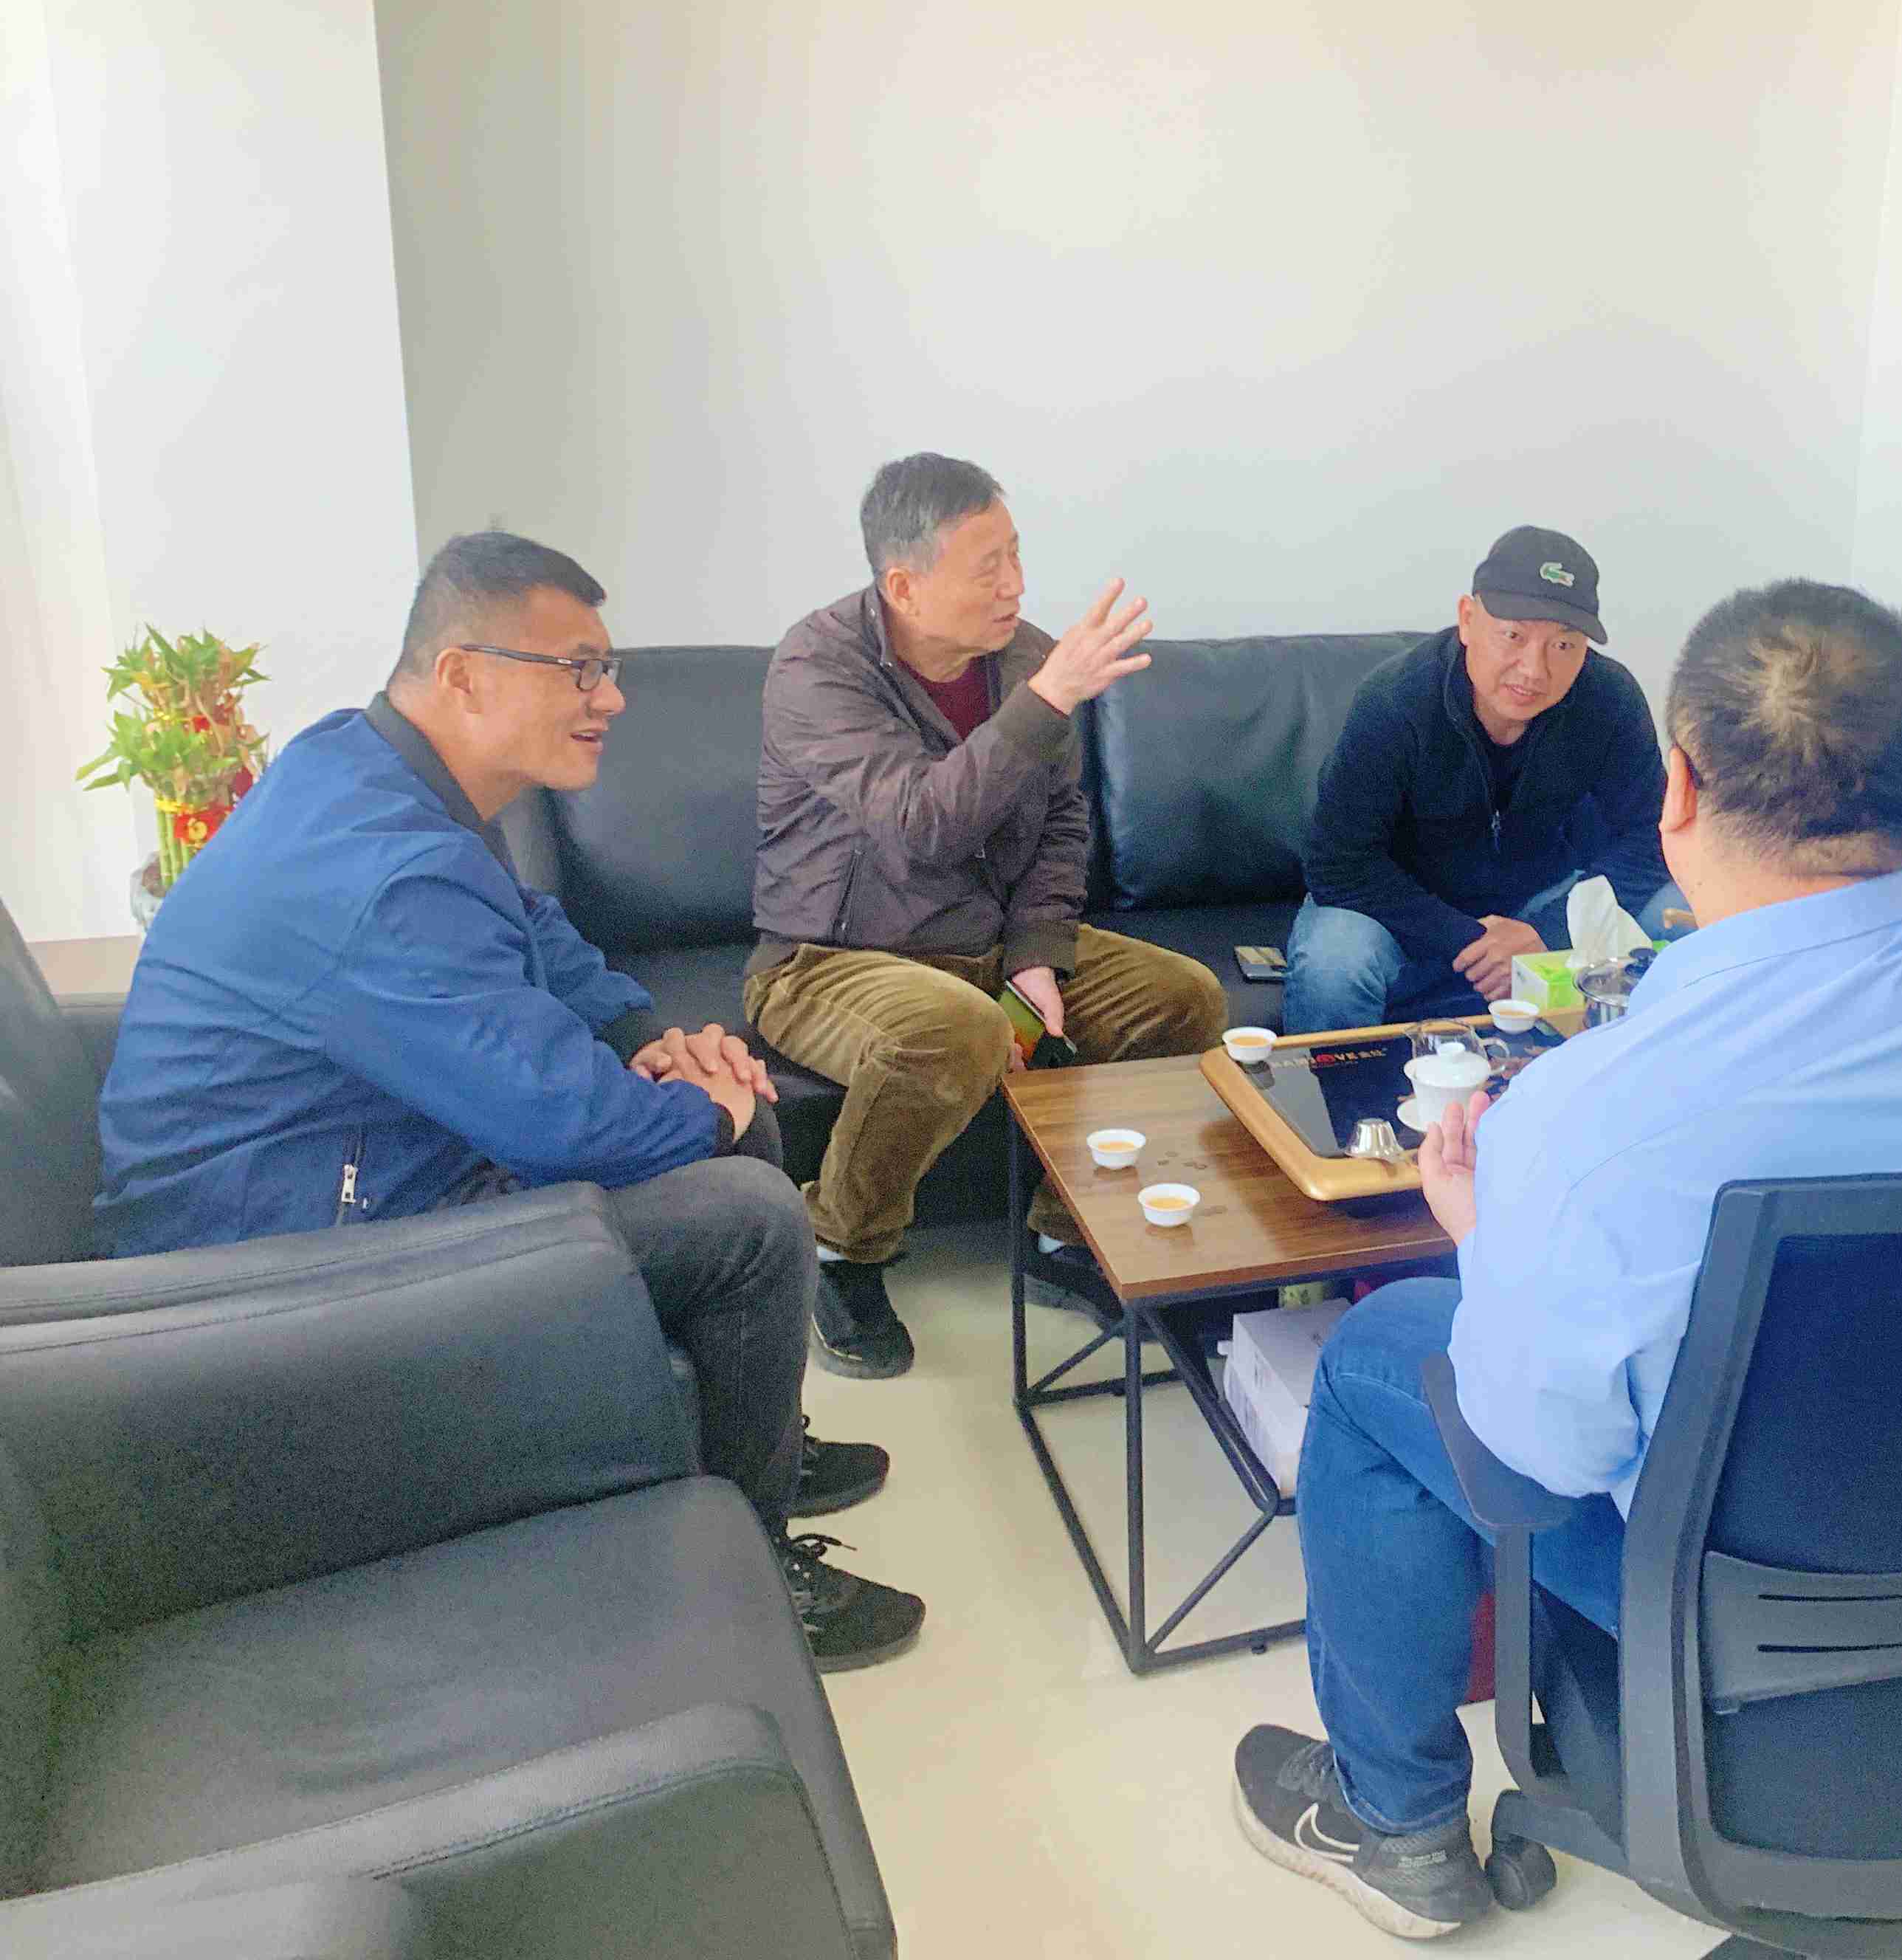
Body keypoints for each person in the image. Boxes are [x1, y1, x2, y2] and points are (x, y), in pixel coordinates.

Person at [1230, 579, 1902, 1937]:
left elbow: (1539, 1450)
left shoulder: (1589, 1116)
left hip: (1758, 1607)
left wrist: (1492, 1243)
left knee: (1384, 1354)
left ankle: (1400, 1825)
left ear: (1674, 788)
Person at [95, 532, 925, 1670]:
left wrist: (651, 1039)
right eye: (579, 669)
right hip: (278, 1270)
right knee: (753, 1213)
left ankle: (754, 1441)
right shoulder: (384, 872)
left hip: (358, 1167)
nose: (612, 698)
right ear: (464, 676)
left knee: (741, 1120)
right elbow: (562, 1122)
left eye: (607, 667)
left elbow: (532, 932)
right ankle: (750, 1566)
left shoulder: (371, 767)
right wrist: (711, 1105)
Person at [747, 453, 1226, 1376]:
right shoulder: (818, 668)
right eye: (987, 567)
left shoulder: (1025, 660)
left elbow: (1061, 822)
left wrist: (1038, 949)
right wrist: (1046, 702)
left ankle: (1064, 1235)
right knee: (955, 1027)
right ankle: (839, 1250)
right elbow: (921, 823)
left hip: (986, 944)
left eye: (1016, 555)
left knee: (1184, 997)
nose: (1015, 585)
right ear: (904, 585)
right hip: (826, 959)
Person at [1284, 528, 1677, 1034]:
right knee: (1334, 963)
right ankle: (1330, 1090)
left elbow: (1653, 835)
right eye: (1513, 636)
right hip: (1398, 913)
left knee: (1682, 911)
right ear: (1468, 620)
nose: (1534, 670)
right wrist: (1475, 941)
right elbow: (1338, 863)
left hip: (1542, 899)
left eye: (1563, 644)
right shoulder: (1394, 702)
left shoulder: (1609, 699)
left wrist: (1546, 930)